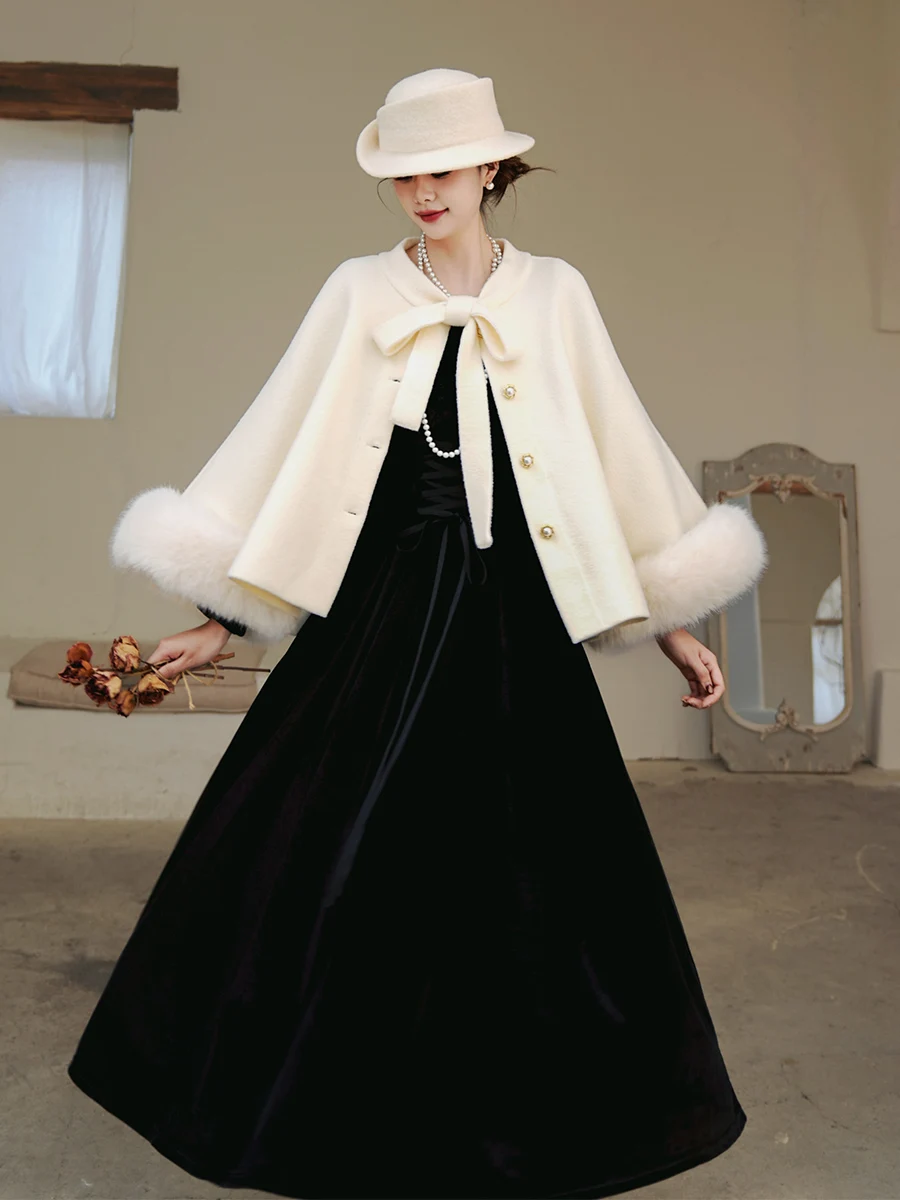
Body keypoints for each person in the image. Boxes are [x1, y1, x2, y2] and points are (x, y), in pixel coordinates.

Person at [67, 68, 766, 1199]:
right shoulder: (358, 291)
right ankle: (323, 1102)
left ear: (491, 167)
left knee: (535, 864)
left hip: (517, 616)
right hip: (381, 604)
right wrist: (219, 618)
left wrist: (673, 620)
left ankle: (528, 1114)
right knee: (325, 847)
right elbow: (280, 445)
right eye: (402, 177)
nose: (422, 193)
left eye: (440, 170)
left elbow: (620, 452)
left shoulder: (557, 294)